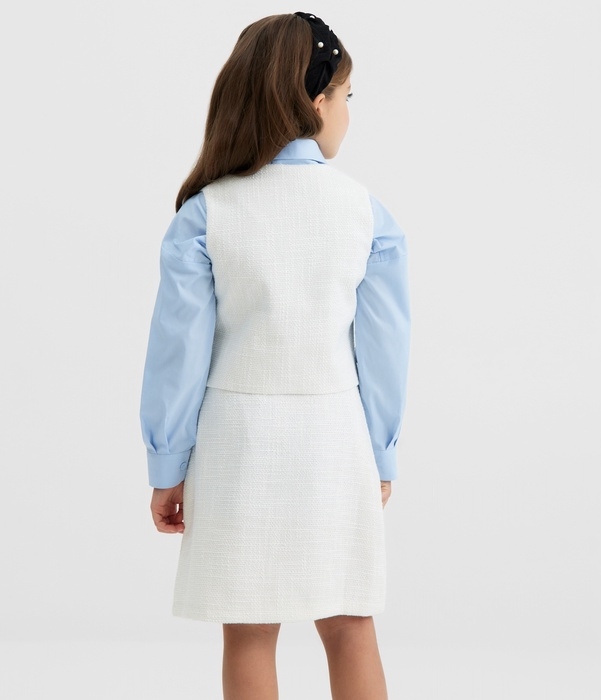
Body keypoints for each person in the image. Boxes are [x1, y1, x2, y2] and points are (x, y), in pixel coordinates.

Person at [139, 11, 411, 700]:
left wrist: (168, 464)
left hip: (237, 445)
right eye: (346, 95)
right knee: (350, 625)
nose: (348, 112)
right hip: (335, 440)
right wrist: (380, 454)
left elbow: (178, 354)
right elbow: (384, 351)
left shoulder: (206, 214)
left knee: (249, 632)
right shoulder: (367, 214)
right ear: (316, 101)